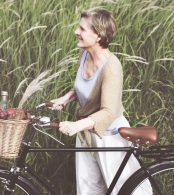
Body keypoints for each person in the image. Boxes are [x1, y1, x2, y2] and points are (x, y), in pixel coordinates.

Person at [50, 8, 151, 195]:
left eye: (82, 29)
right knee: (88, 189)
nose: (76, 32)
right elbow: (85, 87)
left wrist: (76, 125)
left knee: (124, 190)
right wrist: (65, 99)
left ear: (98, 35)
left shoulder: (111, 67)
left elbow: (108, 111)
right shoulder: (85, 55)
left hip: (109, 135)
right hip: (86, 133)